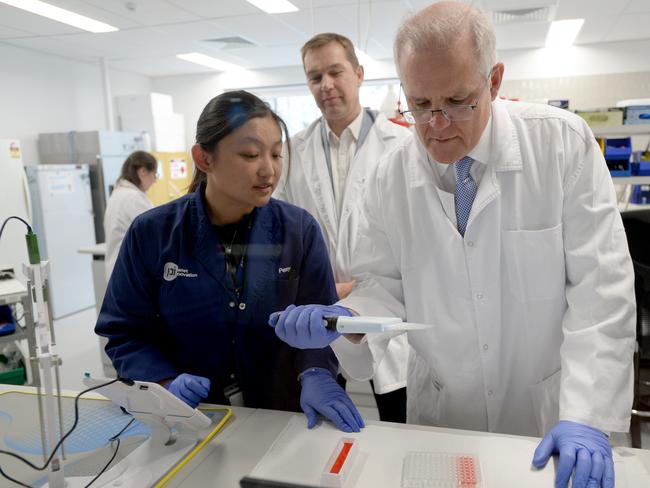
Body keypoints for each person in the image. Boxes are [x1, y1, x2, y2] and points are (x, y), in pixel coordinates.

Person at [269, 3, 636, 487]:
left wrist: (588, 414)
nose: (437, 124)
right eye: (419, 105)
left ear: (495, 81)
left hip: (550, 413)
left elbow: (601, 289)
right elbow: (383, 284)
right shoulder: (390, 173)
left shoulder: (560, 144)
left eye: (457, 101)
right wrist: (348, 319)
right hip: (441, 414)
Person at [96, 91, 363, 433]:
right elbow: (124, 331)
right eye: (251, 154)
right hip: (190, 420)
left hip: (286, 415)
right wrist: (163, 382)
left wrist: (315, 371)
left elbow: (322, 323)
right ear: (204, 158)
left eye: (276, 154)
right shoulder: (153, 233)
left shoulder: (298, 231)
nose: (268, 169)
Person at [274, 32, 411, 423]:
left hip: (388, 311)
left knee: (400, 421)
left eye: (335, 72)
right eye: (315, 77)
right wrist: (323, 289)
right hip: (319, 314)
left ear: (359, 73)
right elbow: (284, 234)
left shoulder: (402, 145)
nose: (326, 85)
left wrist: (357, 290)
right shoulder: (294, 151)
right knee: (329, 431)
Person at [104, 150, 157, 277]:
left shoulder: (119, 194)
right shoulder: (133, 198)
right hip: (128, 271)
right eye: (154, 174)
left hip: (119, 268)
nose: (155, 180)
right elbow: (156, 232)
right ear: (143, 171)